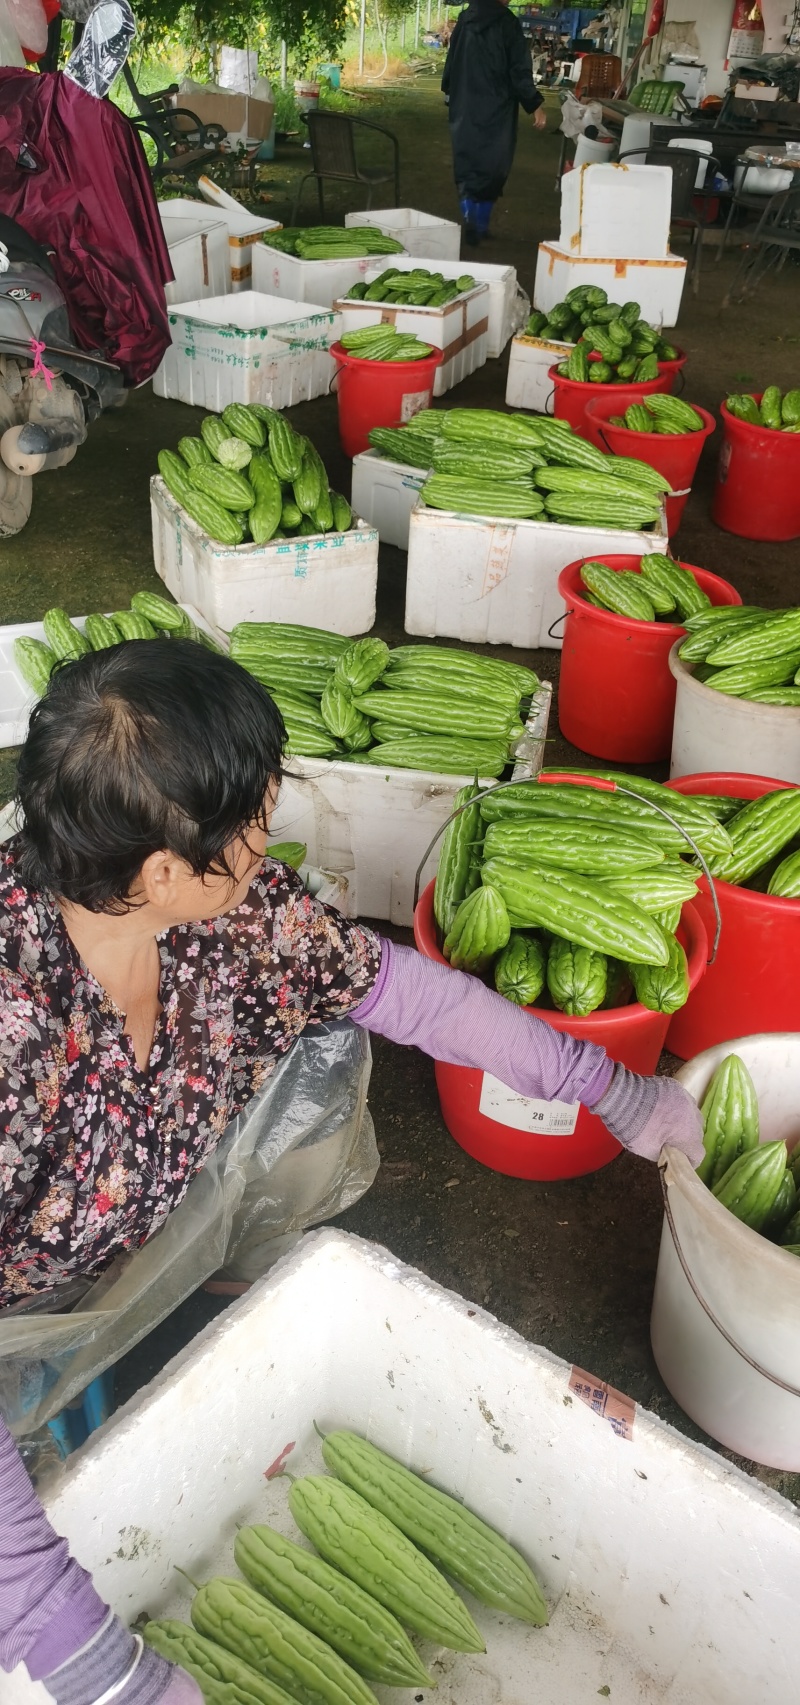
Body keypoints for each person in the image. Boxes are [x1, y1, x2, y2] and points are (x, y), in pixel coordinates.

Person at [1, 641, 703, 1700]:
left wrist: (608, 1088)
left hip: (125, 1226)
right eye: (246, 830)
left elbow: (413, 999)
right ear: (155, 873)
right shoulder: (15, 1027)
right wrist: (96, 1663)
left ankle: (172, 1310)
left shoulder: (232, 917)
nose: (264, 842)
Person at [442, 0, 547, 245]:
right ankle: (479, 224)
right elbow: (519, 70)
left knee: (467, 162)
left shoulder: (465, 20)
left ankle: (469, 215)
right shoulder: (507, 23)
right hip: (497, 107)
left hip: (465, 104)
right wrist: (535, 105)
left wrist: (450, 91)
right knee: (494, 165)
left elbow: (452, 60)